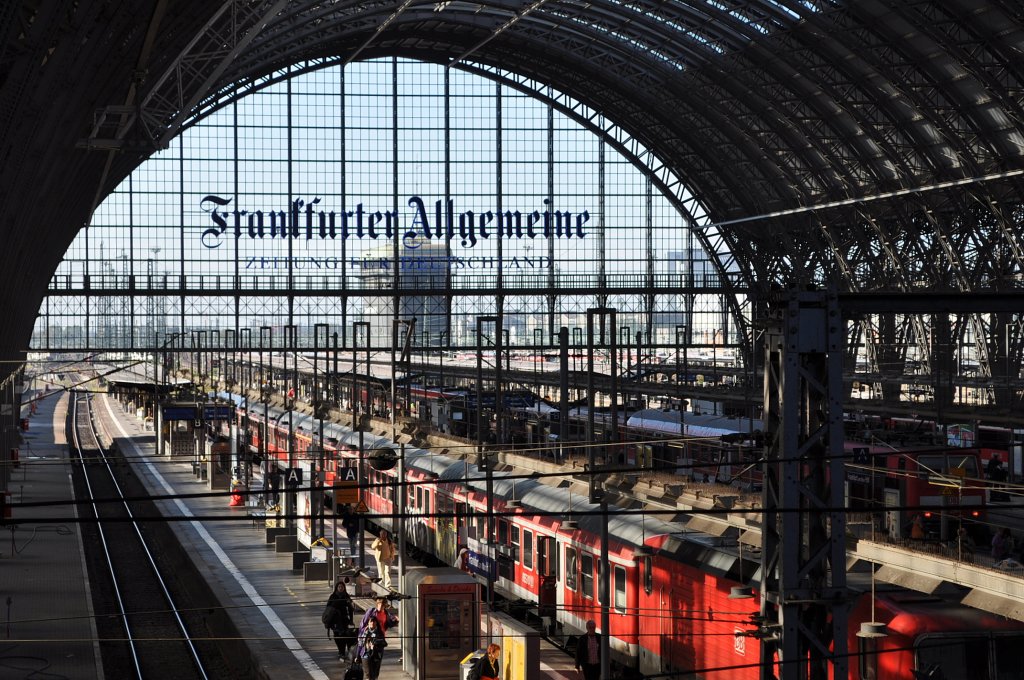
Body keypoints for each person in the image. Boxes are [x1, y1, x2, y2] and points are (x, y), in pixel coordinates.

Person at [325, 580, 356, 660]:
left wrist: (351, 620)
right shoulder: (333, 596)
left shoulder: (346, 596)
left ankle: (344, 651)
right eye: (339, 587)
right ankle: (341, 651)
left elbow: (350, 609)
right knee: (337, 637)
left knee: (345, 636)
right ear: (336, 588)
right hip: (335, 621)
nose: (340, 588)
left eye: (342, 587)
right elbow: (328, 608)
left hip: (344, 620)